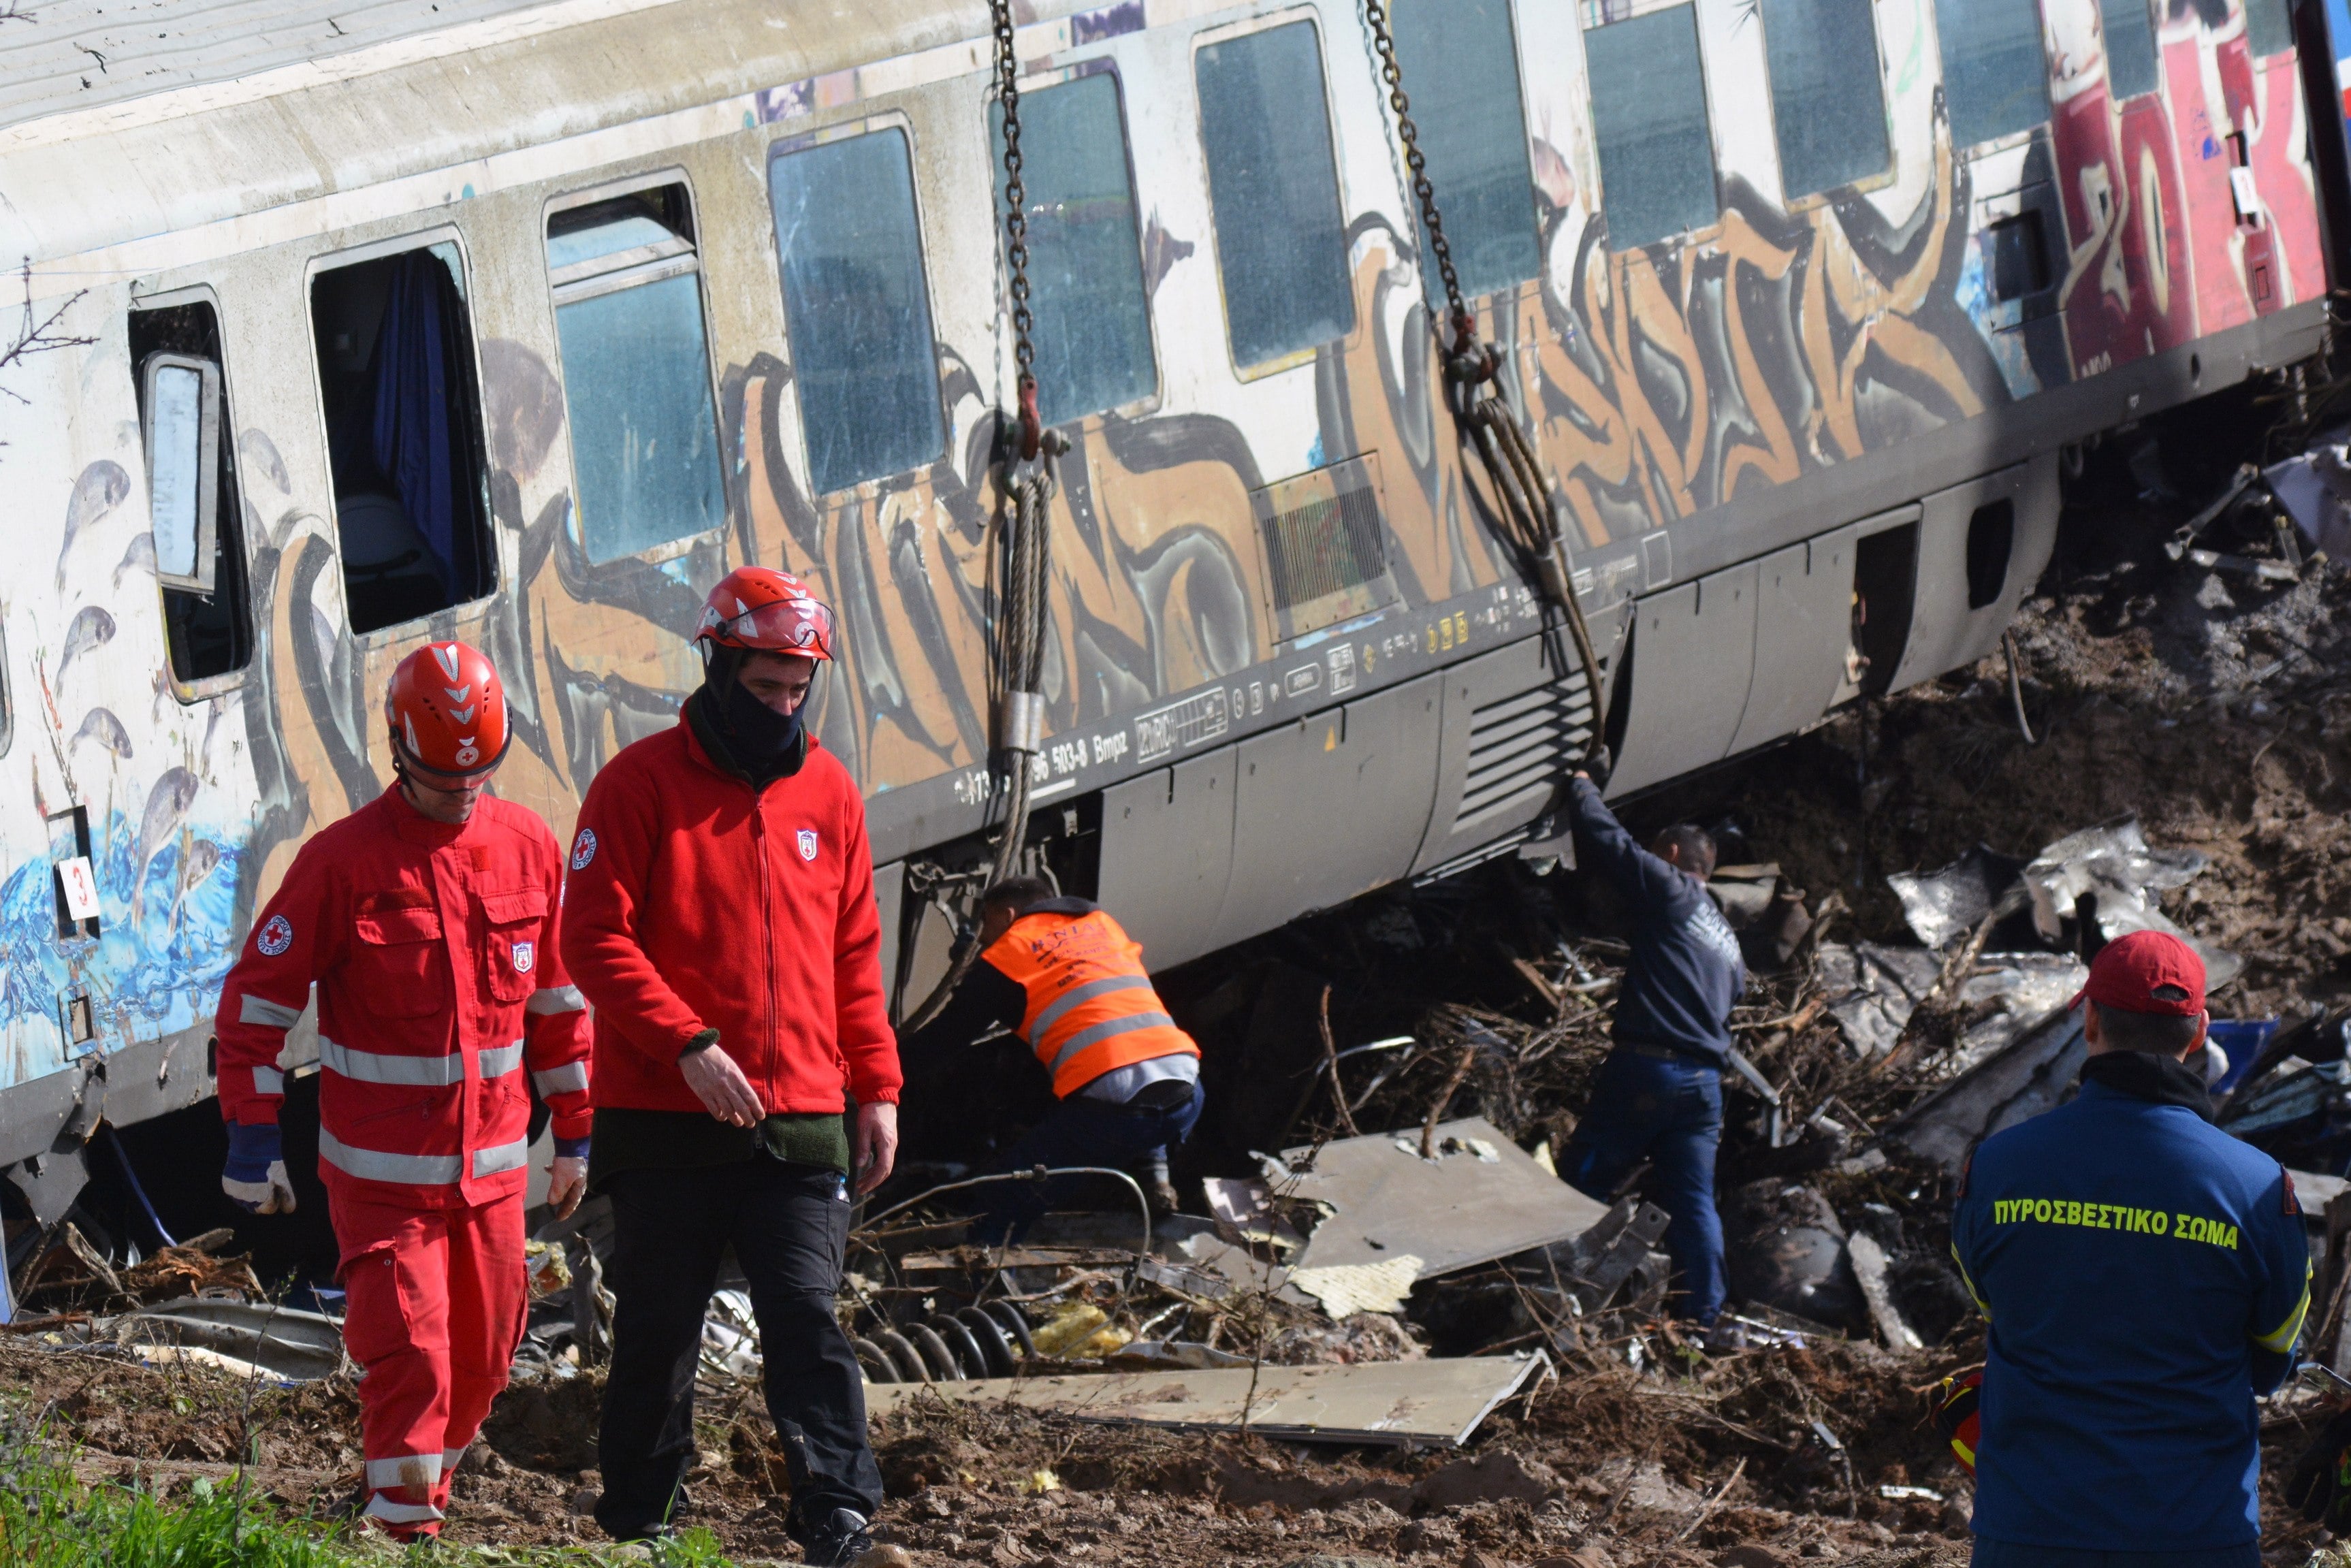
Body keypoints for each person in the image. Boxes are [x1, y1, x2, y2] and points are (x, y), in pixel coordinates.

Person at [214, 641, 592, 1541]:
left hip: (494, 1180)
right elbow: (254, 1006)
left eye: (479, 773)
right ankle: (401, 1530)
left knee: (488, 1358)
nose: (462, 789)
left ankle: (415, 1491)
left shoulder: (528, 846)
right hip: (384, 1185)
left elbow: (561, 1003)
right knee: (412, 1357)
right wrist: (250, 1138)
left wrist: (577, 1133)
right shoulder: (343, 863)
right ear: (398, 746)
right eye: (439, 774)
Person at [561, 566, 899, 1567]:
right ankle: (640, 1522)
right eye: (765, 688)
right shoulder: (636, 785)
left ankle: (839, 1515)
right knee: (659, 1326)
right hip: (664, 1119)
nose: (783, 706)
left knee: (804, 1311)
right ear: (715, 664)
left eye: (798, 690)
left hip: (800, 1112)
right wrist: (686, 1040)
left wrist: (876, 1088)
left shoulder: (829, 791)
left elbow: (853, 952)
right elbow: (592, 937)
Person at [1951, 929, 2310, 1567]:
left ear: (2089, 1019)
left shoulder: (1996, 1167)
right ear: (2199, 1032)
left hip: (2031, 1529)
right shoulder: (2258, 1188)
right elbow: (2274, 1354)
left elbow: (1994, 1306)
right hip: (2197, 1531)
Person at [900, 876, 1204, 1236]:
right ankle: (1155, 1172)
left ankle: (980, 1276)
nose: (982, 934)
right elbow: (1061, 974)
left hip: (1116, 1117)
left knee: (1002, 1200)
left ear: (1009, 914)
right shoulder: (1100, 923)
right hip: (1188, 1094)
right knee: (1138, 1091)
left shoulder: (1003, 959)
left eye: (987, 921)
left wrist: (870, 1069)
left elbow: (941, 1044)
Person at [1553, 772, 1744, 1339]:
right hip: (1704, 1085)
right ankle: (1699, 1322)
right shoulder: (1728, 942)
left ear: (1673, 853)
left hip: (1649, 1068)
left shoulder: (1673, 889)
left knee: (1582, 1175)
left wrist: (1582, 786)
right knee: (1693, 1203)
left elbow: (1609, 842)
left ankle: (1542, 1279)